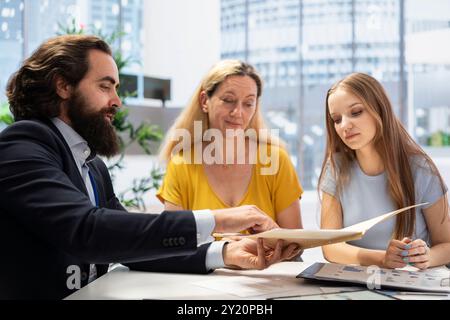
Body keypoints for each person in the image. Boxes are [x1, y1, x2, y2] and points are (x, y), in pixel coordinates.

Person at [0, 35, 289, 300]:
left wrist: (224, 252)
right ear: (63, 86)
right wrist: (218, 220)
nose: (117, 101)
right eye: (105, 86)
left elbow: (131, 246)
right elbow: (87, 230)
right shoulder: (22, 145)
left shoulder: (92, 166)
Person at [150, 60, 303, 265]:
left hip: (268, 283)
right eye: (228, 100)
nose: (238, 112)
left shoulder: (275, 159)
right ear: (205, 100)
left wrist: (272, 231)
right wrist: (224, 252)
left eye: (248, 103)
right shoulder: (182, 164)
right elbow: (170, 245)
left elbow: (297, 249)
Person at [318, 72, 450, 270]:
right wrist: (381, 258)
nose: (345, 125)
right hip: (357, 284)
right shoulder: (336, 168)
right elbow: (330, 246)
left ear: (379, 109)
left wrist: (427, 257)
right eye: (336, 119)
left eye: (356, 112)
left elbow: (447, 244)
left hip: (411, 285)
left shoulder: (421, 169)